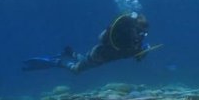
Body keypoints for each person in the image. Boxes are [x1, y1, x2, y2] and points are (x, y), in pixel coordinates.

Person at [23, 11, 160, 73]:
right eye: (140, 31)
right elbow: (123, 50)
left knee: (83, 59)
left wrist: (142, 53)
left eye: (144, 33)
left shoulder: (132, 40)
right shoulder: (124, 38)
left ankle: (70, 53)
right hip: (98, 55)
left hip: (102, 57)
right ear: (134, 28)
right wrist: (138, 52)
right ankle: (56, 62)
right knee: (76, 69)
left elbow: (130, 52)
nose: (141, 35)